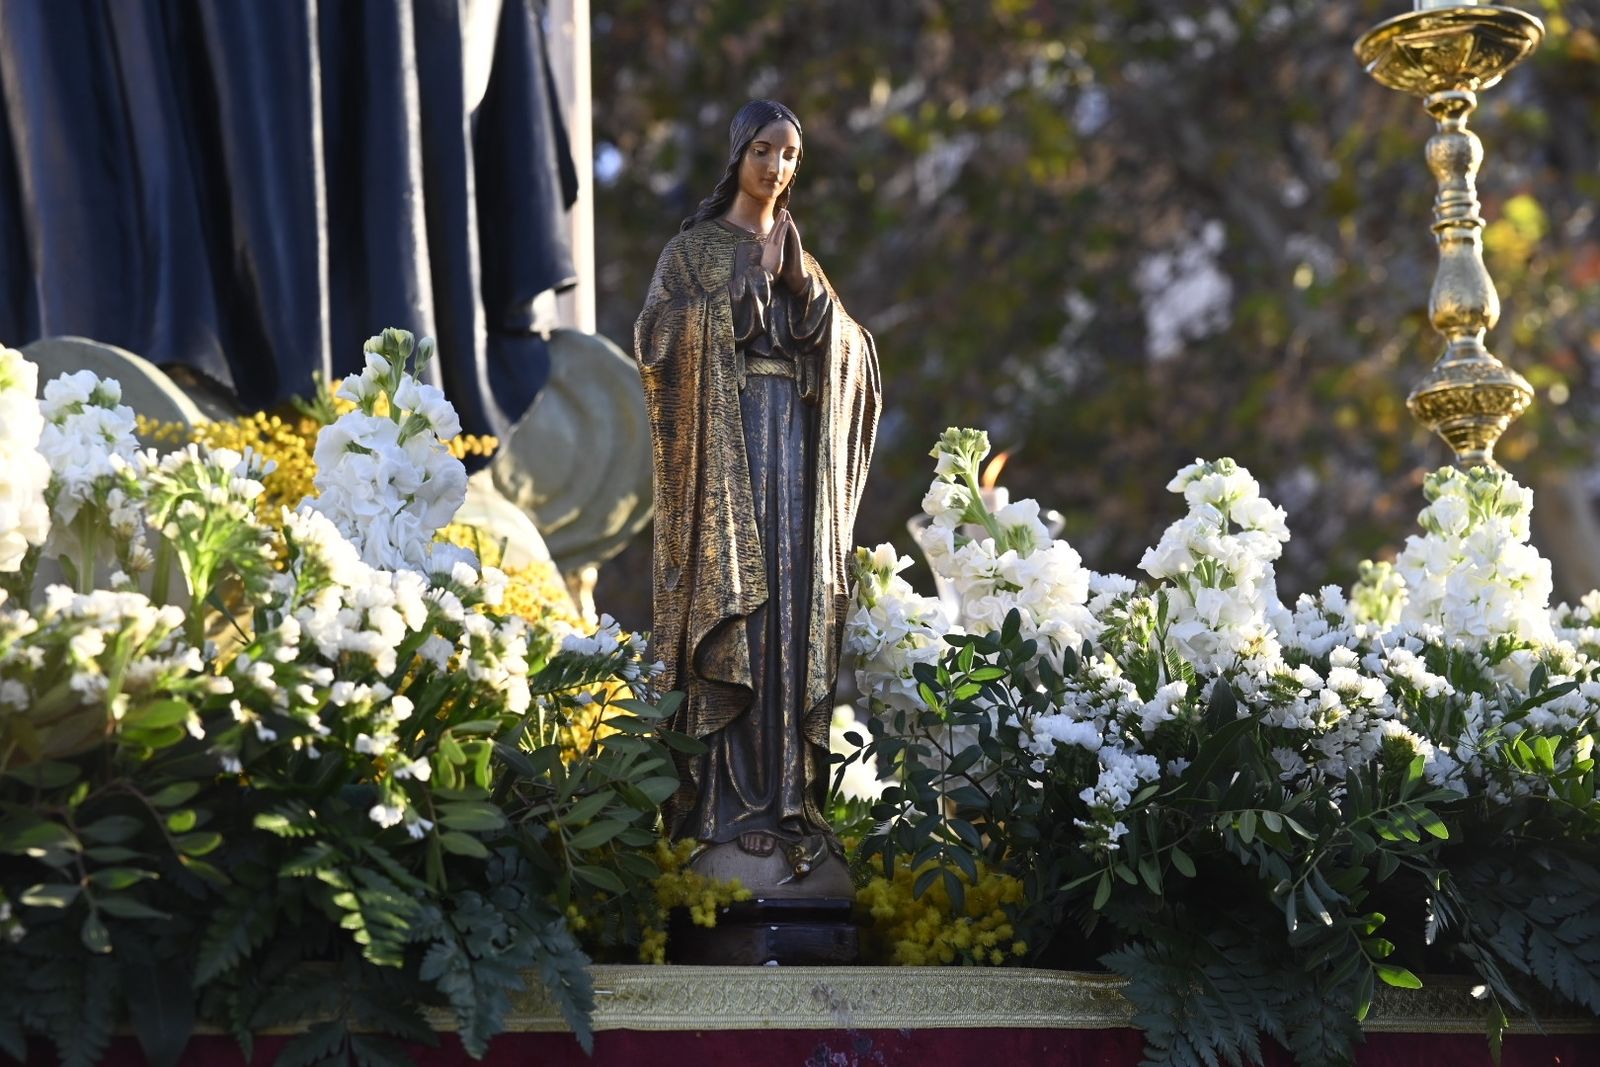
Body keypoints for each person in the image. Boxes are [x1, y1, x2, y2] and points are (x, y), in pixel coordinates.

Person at [633, 100, 880, 894]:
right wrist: (743, 289)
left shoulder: (804, 256)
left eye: (791, 155)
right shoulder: (693, 251)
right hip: (727, 463)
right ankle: (724, 810)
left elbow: (859, 361)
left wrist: (808, 297)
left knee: (789, 619)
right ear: (738, 154)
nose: (777, 167)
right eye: (765, 150)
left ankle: (788, 802)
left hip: (794, 461)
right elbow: (656, 341)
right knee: (736, 608)